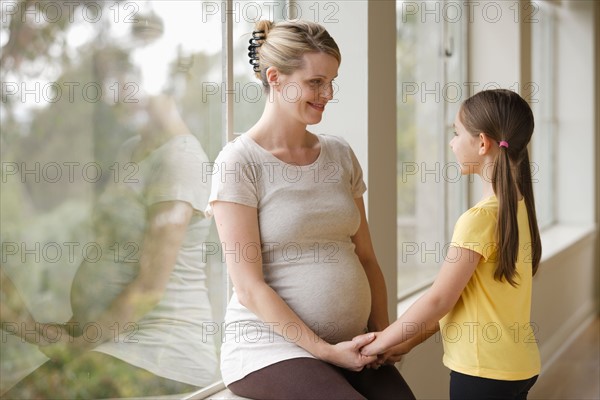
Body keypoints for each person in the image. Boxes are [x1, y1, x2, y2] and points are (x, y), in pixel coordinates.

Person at [205, 20, 415, 400]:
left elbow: (366, 257)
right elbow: (249, 287)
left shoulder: (339, 153)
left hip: (349, 344)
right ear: (275, 77)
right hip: (269, 349)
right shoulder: (239, 162)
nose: (328, 93)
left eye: (332, 81)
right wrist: (325, 351)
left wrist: (381, 333)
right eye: (316, 82)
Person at [2, 96, 218, 399]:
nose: (120, 95)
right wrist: (74, 329)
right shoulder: (130, 151)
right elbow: (113, 256)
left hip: (159, 354)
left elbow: (148, 289)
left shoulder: (181, 160)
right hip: (108, 343)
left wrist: (77, 347)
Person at [359, 89, 542, 399]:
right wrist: (405, 342)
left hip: (482, 372)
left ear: (482, 143)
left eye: (456, 133)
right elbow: (458, 300)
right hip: (517, 367)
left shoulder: (479, 219)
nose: (452, 142)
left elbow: (438, 300)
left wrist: (377, 344)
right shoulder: (518, 208)